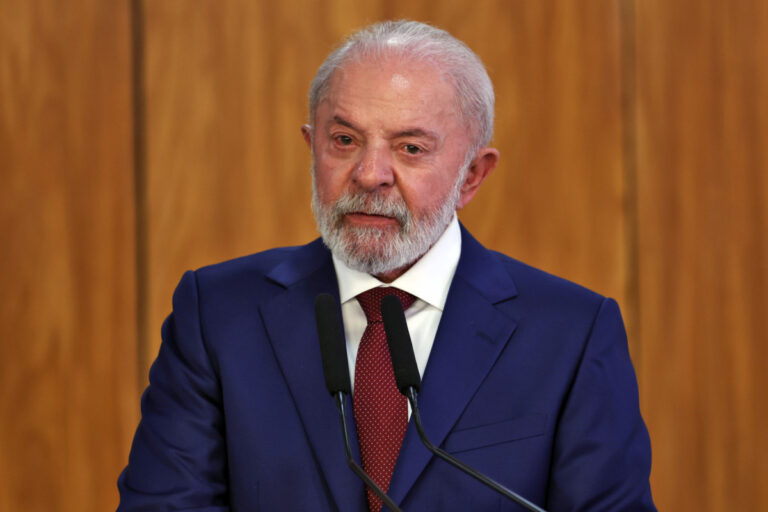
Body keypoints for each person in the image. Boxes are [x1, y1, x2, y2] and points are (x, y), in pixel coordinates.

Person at [117, 20, 655, 511]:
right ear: (311, 147)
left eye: (410, 148)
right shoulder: (217, 316)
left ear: (472, 176)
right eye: (344, 140)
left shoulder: (570, 334)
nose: (370, 174)